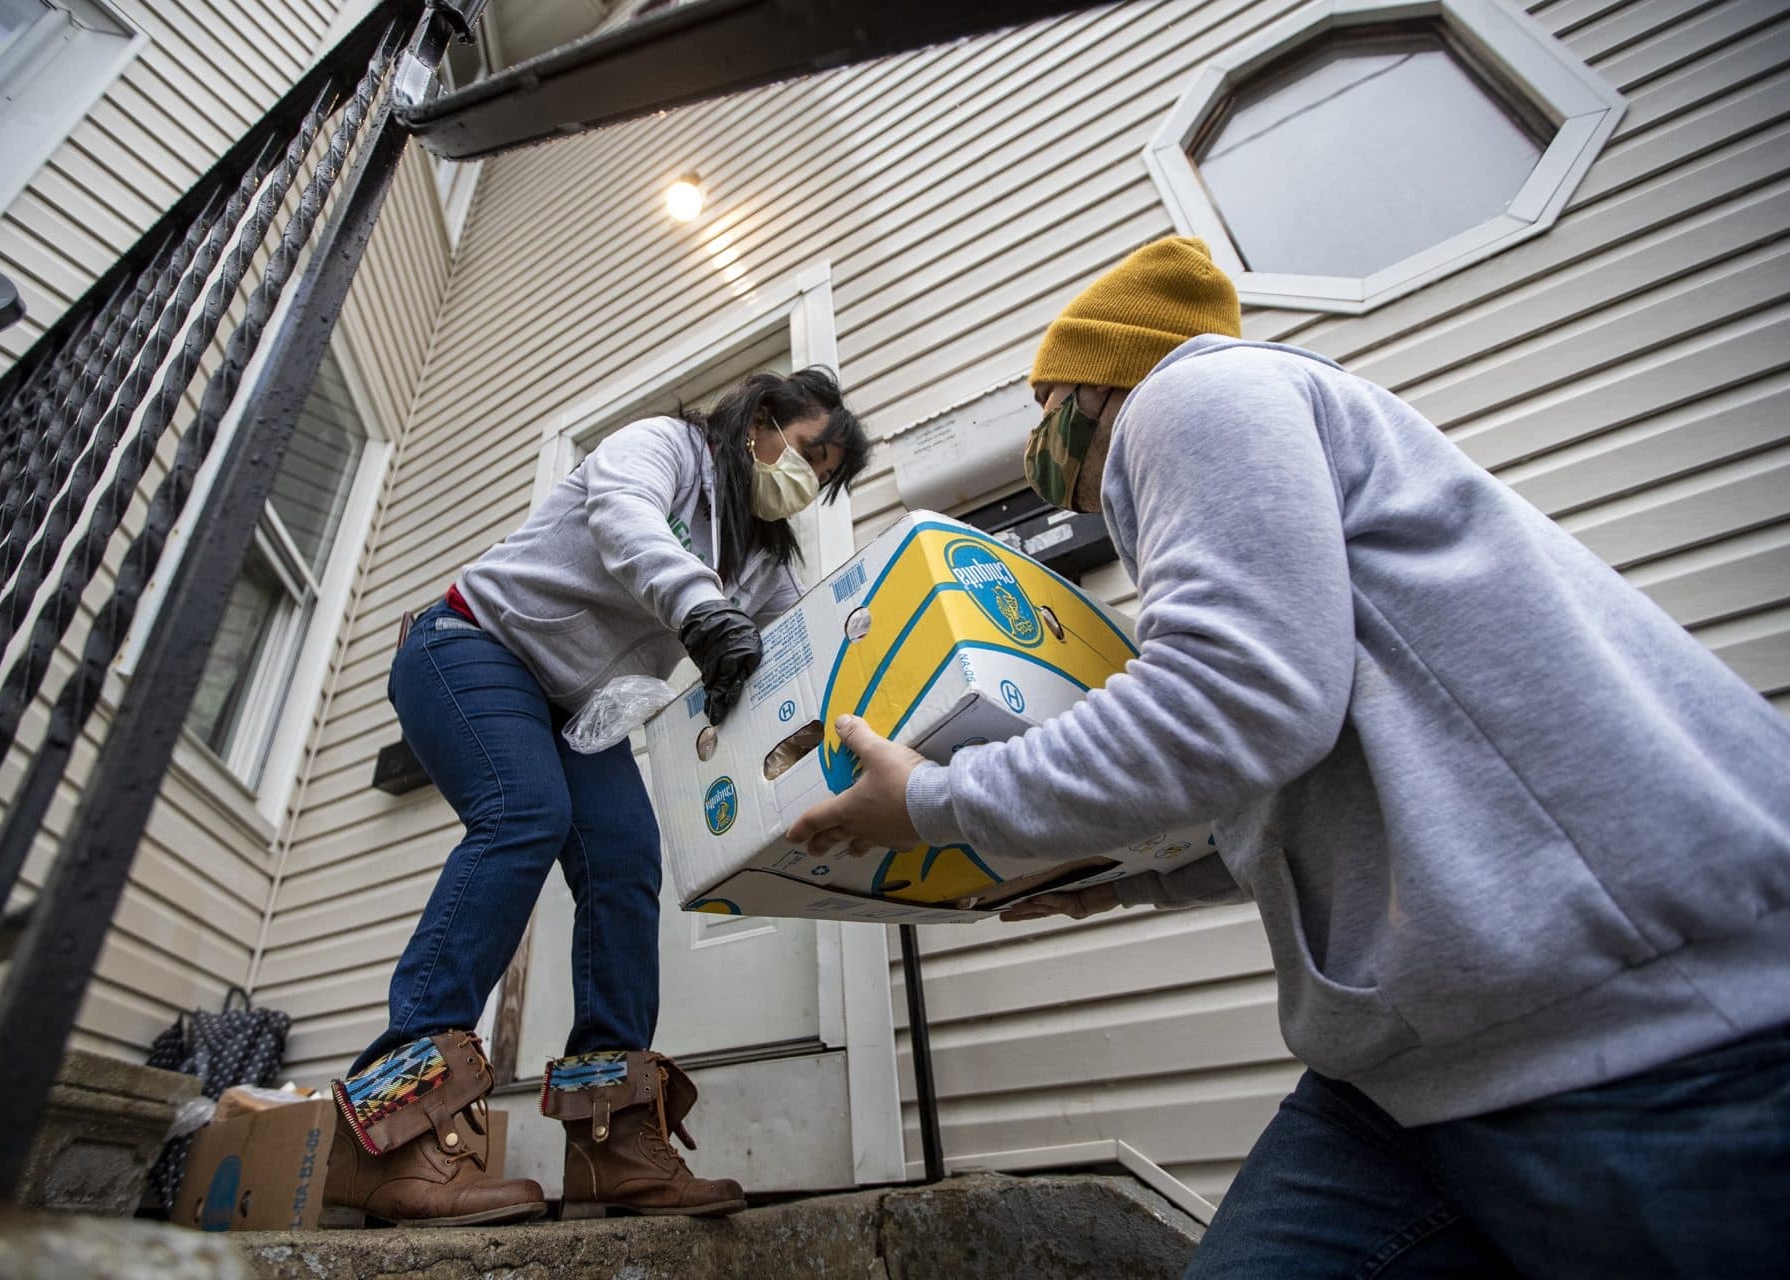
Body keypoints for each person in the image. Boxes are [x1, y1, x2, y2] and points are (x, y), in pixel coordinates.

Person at [788, 238, 1790, 1277]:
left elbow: (1241, 700)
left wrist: (936, 799)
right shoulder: (1228, 448)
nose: (1038, 436)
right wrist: (1135, 884)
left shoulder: (1194, 397)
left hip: (1642, 1030)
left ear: (1097, 381)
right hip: (1405, 1075)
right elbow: (1311, 769)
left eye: (1046, 406)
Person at [325, 367, 869, 1227]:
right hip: (470, 642)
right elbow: (626, 523)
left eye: (824, 474)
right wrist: (700, 612)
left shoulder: (756, 558)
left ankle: (610, 1143)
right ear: (762, 419)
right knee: (523, 812)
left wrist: (852, 746)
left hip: (578, 707)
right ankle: (388, 1133)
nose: (806, 480)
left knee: (624, 862)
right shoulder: (666, 447)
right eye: (807, 451)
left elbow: (799, 652)